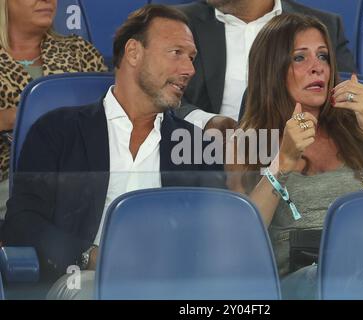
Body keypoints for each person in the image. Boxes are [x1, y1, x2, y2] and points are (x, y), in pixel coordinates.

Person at [1, 4, 223, 299]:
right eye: (176, 53)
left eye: (192, 58)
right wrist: (88, 256)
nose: (189, 70)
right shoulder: (57, 130)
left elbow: (214, 234)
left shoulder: (196, 145)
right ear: (133, 52)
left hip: (172, 285)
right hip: (87, 280)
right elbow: (23, 219)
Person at [226, 13, 363, 299]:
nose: (317, 68)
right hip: (298, 283)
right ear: (272, 68)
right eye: (300, 58)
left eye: (323, 56)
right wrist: (281, 164)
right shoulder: (248, 138)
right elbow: (241, 237)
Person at [175, 0, 356, 132]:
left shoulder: (322, 26)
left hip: (301, 151)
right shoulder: (175, 23)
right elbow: (153, 91)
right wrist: (207, 122)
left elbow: (345, 96)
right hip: (200, 153)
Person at [0, 0, 108, 218]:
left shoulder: (78, 50)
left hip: (82, 176)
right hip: (11, 179)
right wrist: (12, 118)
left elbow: (114, 109)